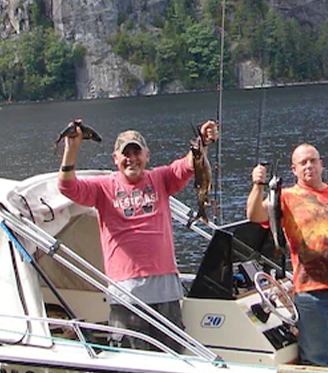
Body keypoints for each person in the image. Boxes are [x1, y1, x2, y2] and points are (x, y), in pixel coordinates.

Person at [57, 120, 218, 351]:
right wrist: (71, 149)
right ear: (116, 159)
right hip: (126, 291)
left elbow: (189, 165)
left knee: (174, 355)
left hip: (165, 288)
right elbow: (67, 187)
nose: (131, 158)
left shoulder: (161, 179)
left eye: (136, 152)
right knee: (133, 356)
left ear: (147, 156)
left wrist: (202, 141)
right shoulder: (103, 187)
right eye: (126, 154)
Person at [245, 144, 328, 367]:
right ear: (294, 170)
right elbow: (255, 215)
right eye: (303, 163)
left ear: (322, 163)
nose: (309, 166)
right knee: (316, 360)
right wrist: (258, 185)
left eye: (313, 160)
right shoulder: (285, 196)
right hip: (310, 293)